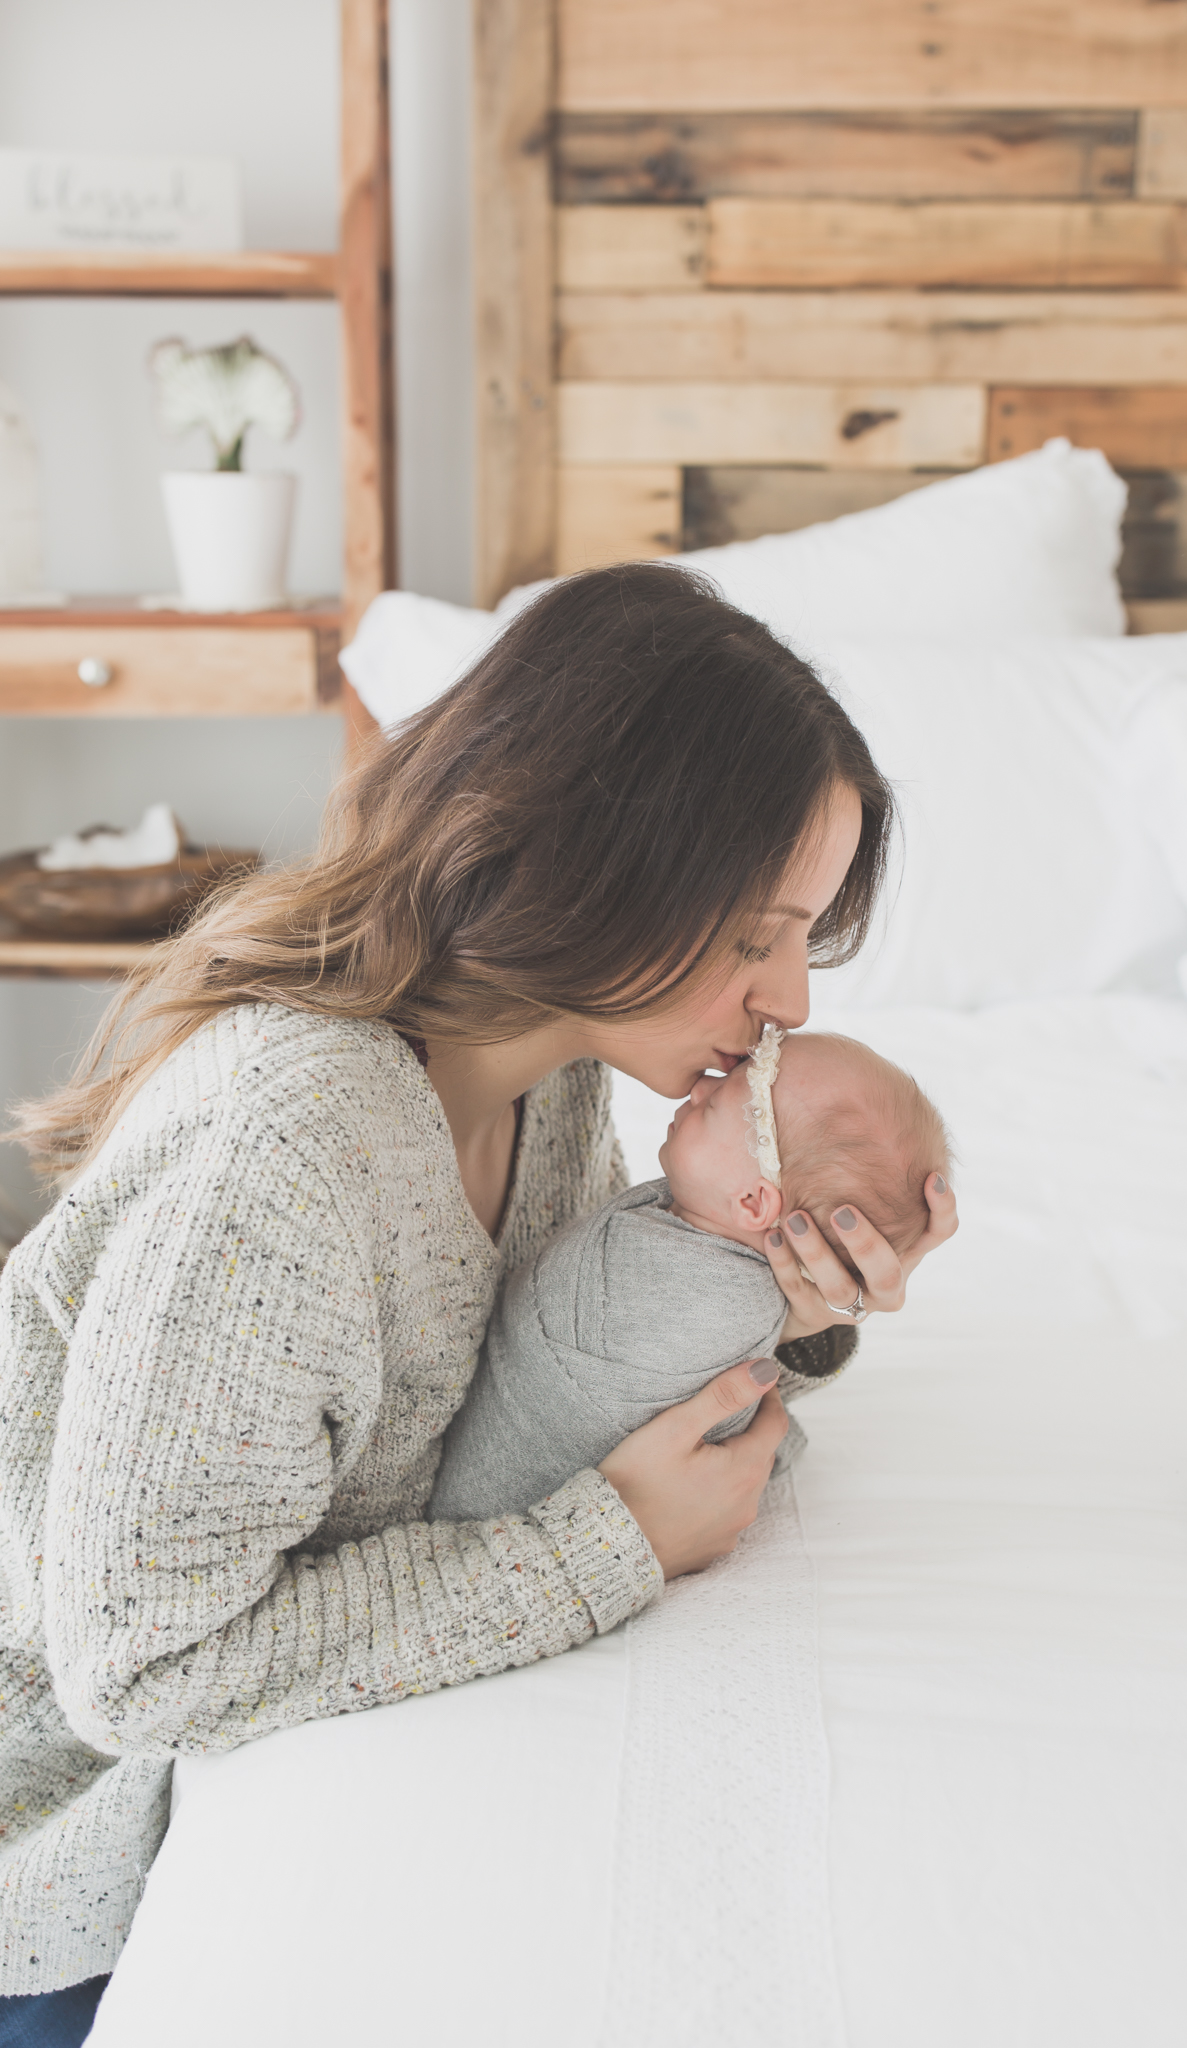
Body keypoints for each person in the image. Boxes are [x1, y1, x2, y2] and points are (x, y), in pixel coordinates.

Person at [0, 563, 956, 2041]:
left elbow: (532, 1383)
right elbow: (143, 1669)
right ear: (609, 858)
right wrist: (615, 1544)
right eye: (760, 936)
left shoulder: (546, 1070)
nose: (793, 1005)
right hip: (62, 1853)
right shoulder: (289, 1150)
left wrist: (782, 1300)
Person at [431, 1027, 949, 1519]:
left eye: (719, 1101)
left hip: (487, 1509)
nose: (701, 1086)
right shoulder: (696, 1247)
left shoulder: (700, 1297)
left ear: (752, 1201)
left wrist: (793, 1329)